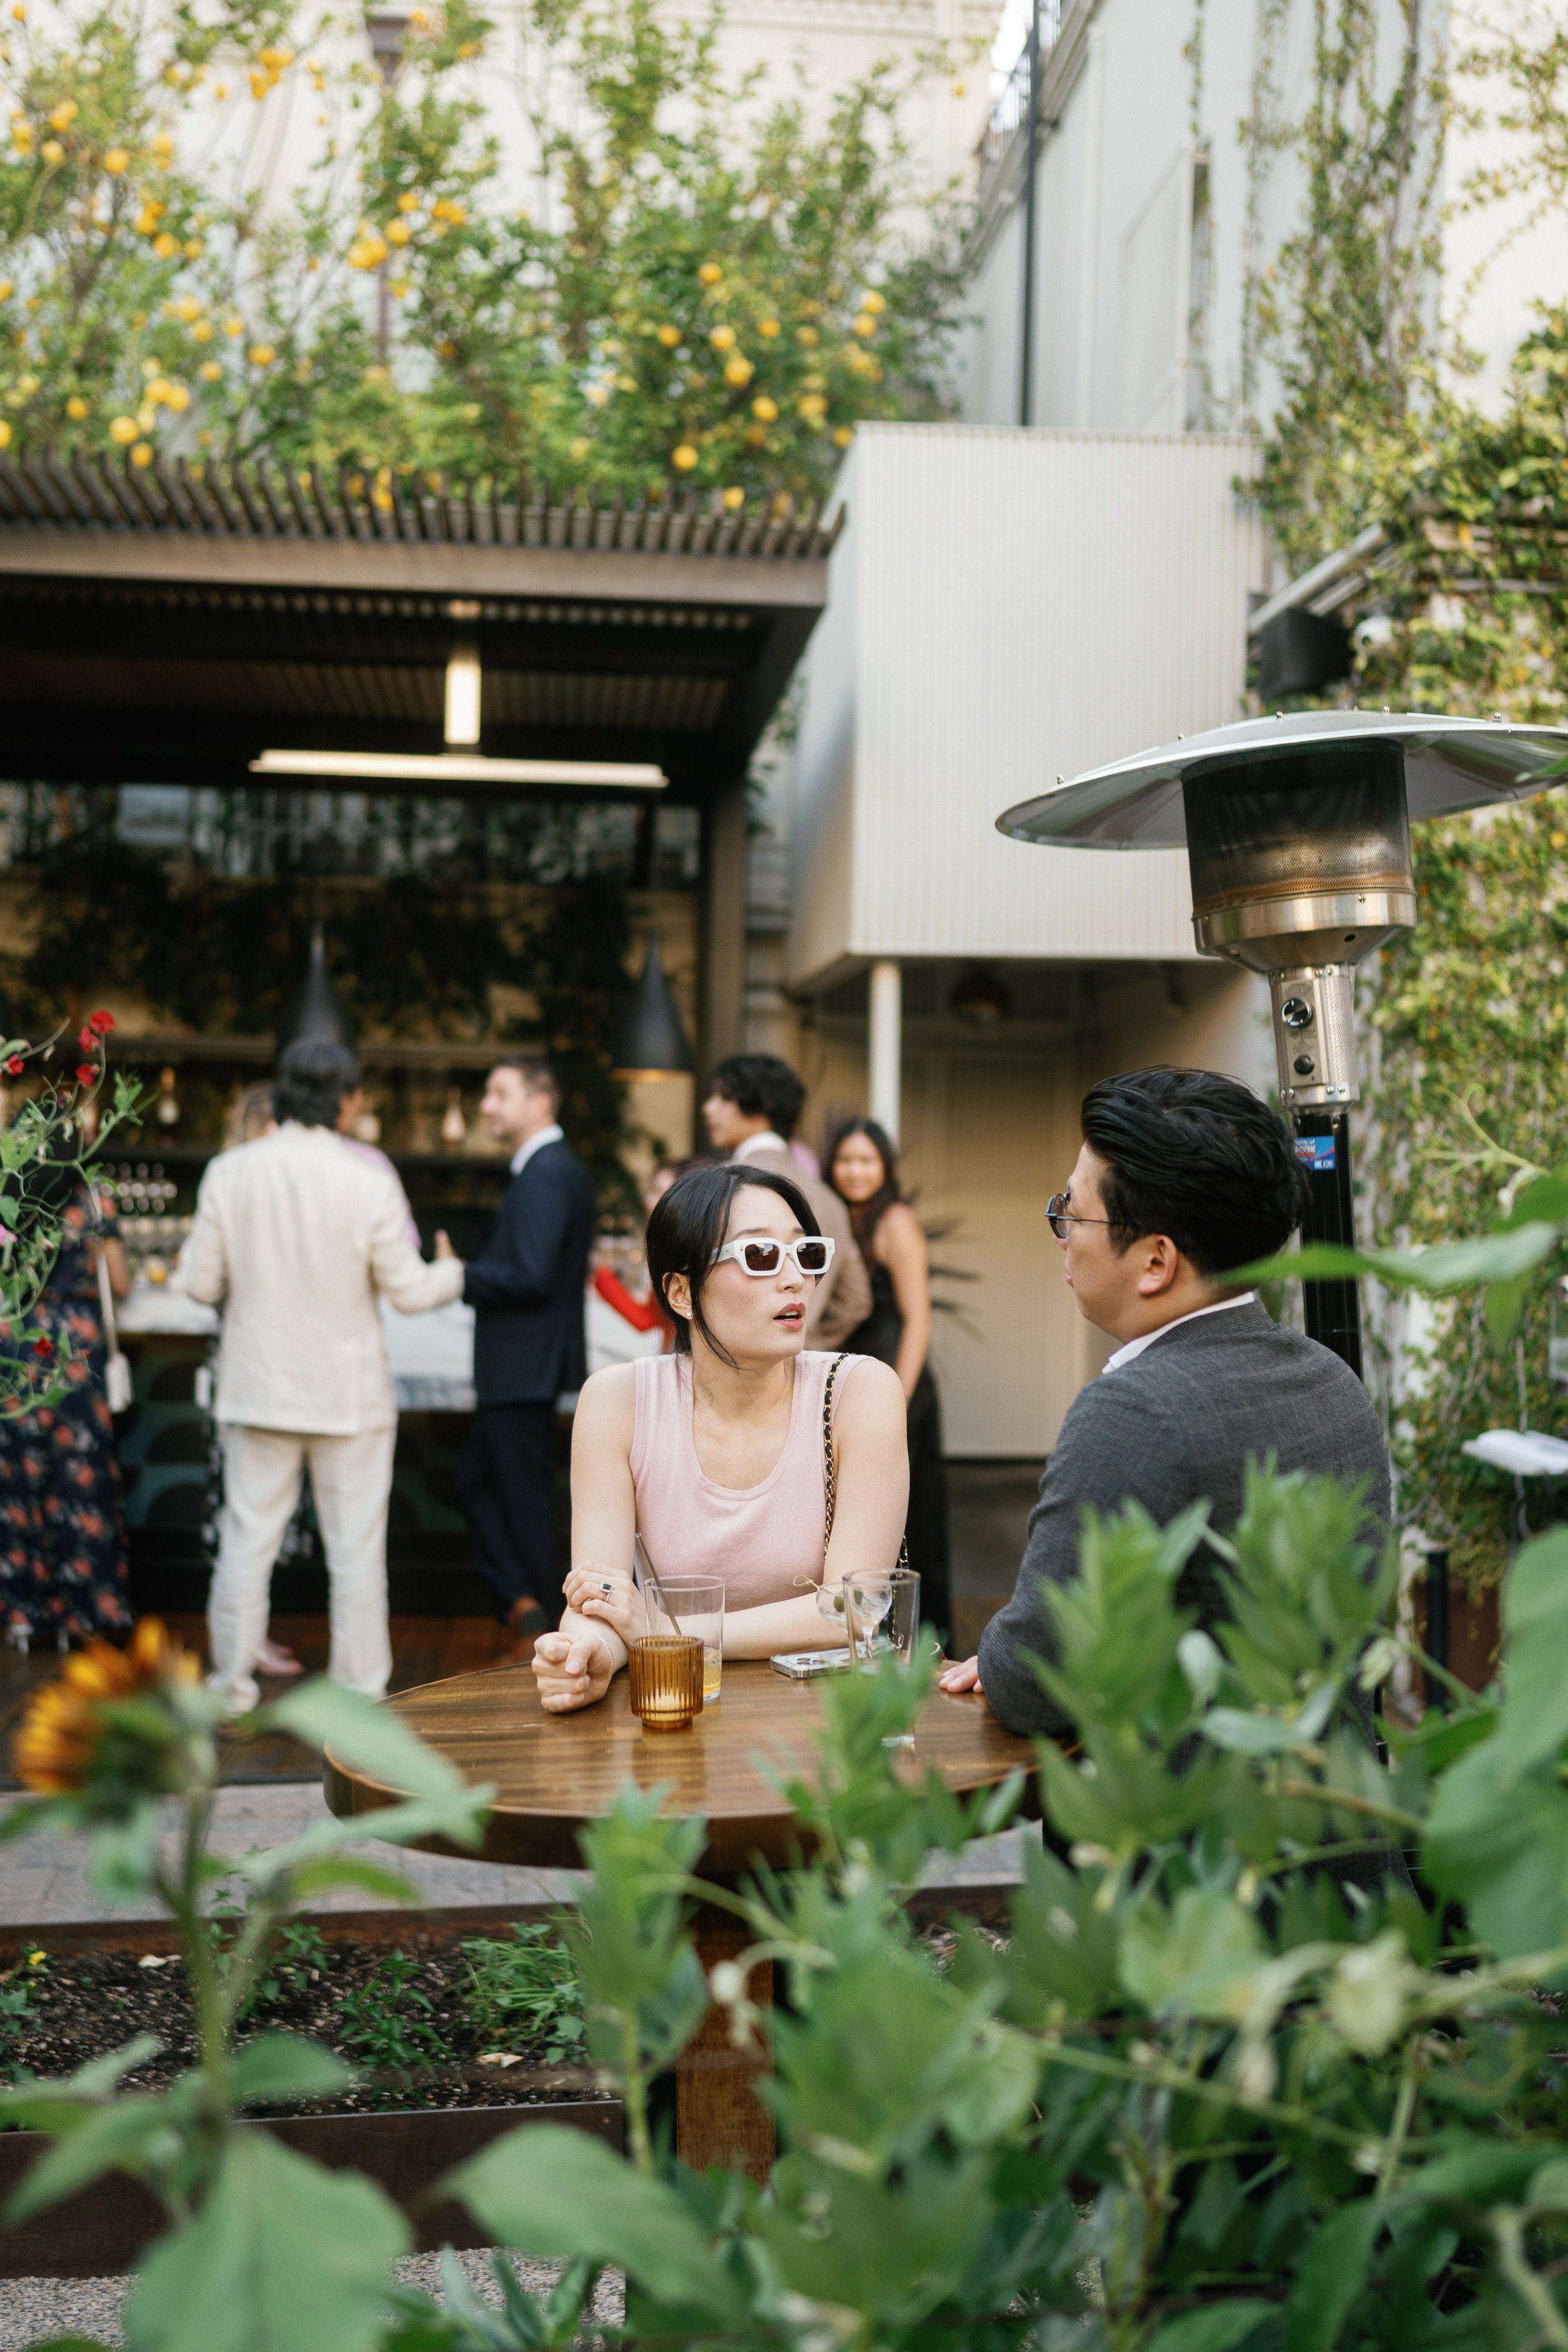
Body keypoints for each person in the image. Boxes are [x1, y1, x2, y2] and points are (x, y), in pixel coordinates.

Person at [939, 1066, 1392, 1736]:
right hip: (1336, 1813)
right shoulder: (1332, 1379)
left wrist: (1005, 1660)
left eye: (1072, 1208)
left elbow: (1037, 1678)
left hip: (1196, 1830)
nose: (1063, 1231)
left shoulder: (1135, 1412)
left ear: (1156, 1261)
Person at [529, 1161, 908, 1713]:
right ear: (681, 1292)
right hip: (681, 1712)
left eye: (804, 1254)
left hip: (833, 1728)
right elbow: (602, 1602)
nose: (794, 1279)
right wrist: (590, 1656)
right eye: (759, 1257)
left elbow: (850, 1610)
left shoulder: (859, 1392)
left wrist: (668, 1628)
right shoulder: (617, 1403)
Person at [183, 1038, 464, 1711]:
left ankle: (230, 1686)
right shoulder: (367, 1178)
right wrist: (452, 1273)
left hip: (257, 1387)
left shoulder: (230, 1171)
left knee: (248, 1543)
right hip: (348, 1394)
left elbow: (199, 1284)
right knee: (356, 1551)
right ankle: (360, 1691)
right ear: (348, 1100)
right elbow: (408, 1290)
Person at [435, 1058, 595, 1652]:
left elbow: (530, 1274)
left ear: (540, 1101)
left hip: (524, 1365)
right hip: (522, 1365)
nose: (487, 1106)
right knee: (478, 1481)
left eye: (500, 1094)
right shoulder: (546, 1168)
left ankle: (552, 1627)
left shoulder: (548, 1170)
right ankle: (524, 1601)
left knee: (522, 1499)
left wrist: (461, 1274)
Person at [827, 1118, 951, 1637]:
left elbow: (918, 1315)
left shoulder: (896, 1220)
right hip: (859, 1380)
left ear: (885, 1167)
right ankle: (868, 1637)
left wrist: (896, 1397)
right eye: (845, 1160)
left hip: (899, 1383)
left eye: (867, 1161)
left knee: (908, 1519)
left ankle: (923, 1642)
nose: (855, 1171)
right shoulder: (836, 1218)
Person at [0, 1176, 133, 1649]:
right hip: (72, 1342)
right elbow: (120, 1282)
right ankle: (85, 1613)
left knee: (20, 1476)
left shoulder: (7, 1186)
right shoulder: (94, 1195)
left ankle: (23, 1615)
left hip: (17, 1338)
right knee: (81, 1477)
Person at [701, 1055, 871, 1348]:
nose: (709, 1108)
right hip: (804, 1372)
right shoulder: (831, 1200)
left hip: (733, 1368)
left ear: (758, 1105)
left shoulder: (720, 1185)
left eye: (723, 1097)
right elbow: (856, 1301)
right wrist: (807, 1342)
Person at [590, 1157, 705, 1348]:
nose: (649, 1201)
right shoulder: (673, 1252)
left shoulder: (682, 1258)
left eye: (659, 1191)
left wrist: (601, 1274)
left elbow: (645, 1320)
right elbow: (648, 1318)